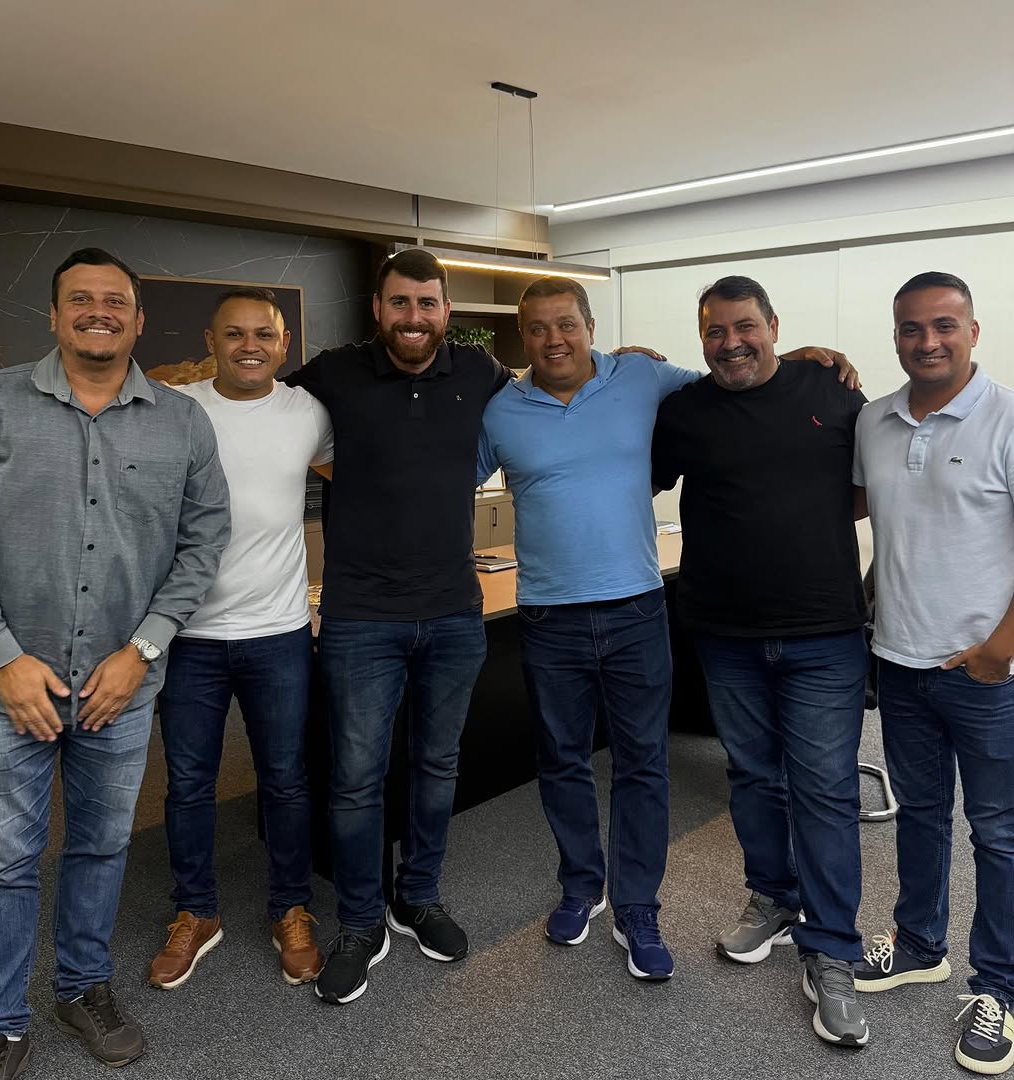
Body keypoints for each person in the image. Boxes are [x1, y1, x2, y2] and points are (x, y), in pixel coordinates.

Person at [476, 276, 857, 984]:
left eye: (567, 324)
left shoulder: (643, 377)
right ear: (521, 337)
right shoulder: (502, 409)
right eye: (538, 328)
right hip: (549, 616)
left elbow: (739, 375)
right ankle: (581, 887)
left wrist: (806, 357)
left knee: (643, 764)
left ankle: (638, 908)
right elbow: (445, 483)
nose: (554, 339)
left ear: (591, 327)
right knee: (562, 761)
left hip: (636, 611)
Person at [0, 248, 230, 1079]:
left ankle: (82, 987)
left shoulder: (181, 421)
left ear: (138, 320)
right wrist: (3, 659)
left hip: (118, 688)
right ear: (56, 315)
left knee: (100, 848)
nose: (99, 311)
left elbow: (204, 543)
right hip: (5, 693)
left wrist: (143, 651)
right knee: (4, 860)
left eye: (115, 301)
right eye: (81, 299)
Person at [283, 248, 512, 1005]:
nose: (414, 317)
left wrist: (630, 361)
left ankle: (417, 897)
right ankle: (359, 923)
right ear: (378, 309)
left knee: (436, 767)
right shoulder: (334, 372)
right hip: (360, 618)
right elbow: (254, 399)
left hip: (453, 612)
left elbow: (562, 381)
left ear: (446, 311)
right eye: (400, 303)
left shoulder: (478, 372)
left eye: (427, 303)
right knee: (356, 779)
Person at [649, 275, 870, 1046]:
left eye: (745, 326)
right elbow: (633, 470)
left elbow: (865, 489)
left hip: (824, 634)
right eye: (715, 331)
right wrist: (622, 365)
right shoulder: (685, 411)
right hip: (726, 634)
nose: (731, 342)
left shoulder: (830, 389)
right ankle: (773, 896)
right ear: (701, 338)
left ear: (774, 325)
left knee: (825, 790)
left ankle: (832, 949)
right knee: (752, 777)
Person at [147, 287, 333, 992]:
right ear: (211, 341)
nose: (249, 346)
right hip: (187, 634)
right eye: (234, 333)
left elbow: (361, 478)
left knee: (285, 779)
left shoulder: (308, 412)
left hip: (279, 633)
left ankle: (290, 908)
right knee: (189, 784)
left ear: (284, 344)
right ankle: (196, 912)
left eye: (263, 334)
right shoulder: (177, 407)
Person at [853, 271, 1014, 1075]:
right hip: (900, 659)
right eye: (911, 328)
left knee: (999, 832)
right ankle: (920, 944)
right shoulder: (874, 420)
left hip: (984, 673)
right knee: (921, 814)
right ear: (895, 337)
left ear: (973, 331)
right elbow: (859, 508)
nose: (928, 341)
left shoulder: (1007, 417)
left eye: (944, 325)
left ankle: (1002, 986)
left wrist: (1000, 649)